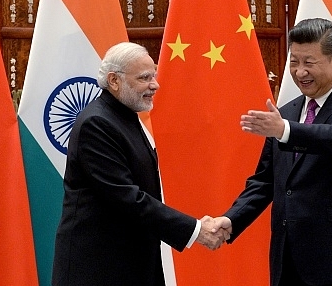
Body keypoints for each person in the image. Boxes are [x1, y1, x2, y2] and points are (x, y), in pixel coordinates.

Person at [212, 18, 332, 286]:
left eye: (309, 62)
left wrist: (285, 131)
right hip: (289, 260)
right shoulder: (286, 113)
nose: (300, 72)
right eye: (294, 62)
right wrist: (232, 218)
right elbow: (265, 181)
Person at [52, 42, 228, 286]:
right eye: (144, 78)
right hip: (98, 269)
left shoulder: (123, 115)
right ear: (114, 80)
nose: (154, 85)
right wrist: (196, 230)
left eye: (153, 75)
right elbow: (127, 198)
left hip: (130, 263)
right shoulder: (97, 123)